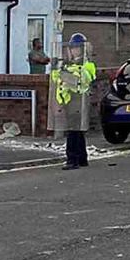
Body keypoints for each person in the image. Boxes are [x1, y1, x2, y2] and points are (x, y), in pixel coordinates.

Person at [51, 33, 97, 170]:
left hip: (79, 99)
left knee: (73, 131)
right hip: (69, 100)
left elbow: (85, 80)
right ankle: (82, 158)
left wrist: (69, 74)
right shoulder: (68, 64)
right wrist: (55, 69)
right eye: (72, 48)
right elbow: (57, 80)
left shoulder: (87, 65)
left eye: (77, 48)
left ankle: (72, 159)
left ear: (82, 49)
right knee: (77, 131)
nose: (74, 50)